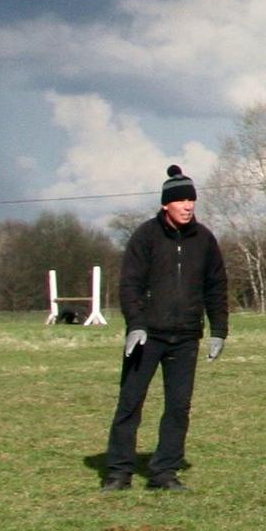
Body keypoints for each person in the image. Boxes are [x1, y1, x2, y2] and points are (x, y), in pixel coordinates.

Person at [102, 165, 229, 492]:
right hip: (147, 337)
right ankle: (118, 473)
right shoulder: (145, 237)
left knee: (178, 407)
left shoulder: (204, 240)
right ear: (165, 204)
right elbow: (129, 284)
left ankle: (164, 473)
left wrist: (218, 330)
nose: (188, 206)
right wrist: (136, 325)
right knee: (130, 403)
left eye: (192, 200)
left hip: (186, 336)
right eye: (181, 201)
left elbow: (216, 286)